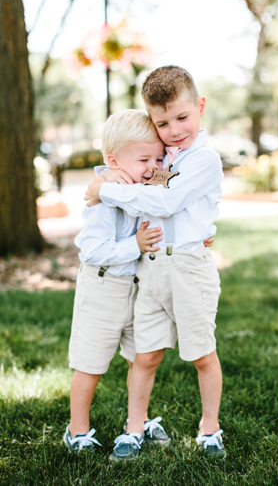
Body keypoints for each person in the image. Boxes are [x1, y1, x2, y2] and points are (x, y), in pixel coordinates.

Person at [84, 66, 226, 461]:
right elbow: (138, 176)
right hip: (150, 267)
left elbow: (165, 202)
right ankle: (134, 427)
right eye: (162, 123)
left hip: (188, 267)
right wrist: (109, 178)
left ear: (199, 106)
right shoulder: (161, 157)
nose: (175, 129)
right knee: (145, 354)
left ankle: (209, 428)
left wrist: (105, 190)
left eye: (182, 117)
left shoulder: (205, 159)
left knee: (201, 353)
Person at [64, 109, 167, 452]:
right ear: (114, 160)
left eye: (158, 157)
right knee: (90, 364)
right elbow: (91, 250)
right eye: (143, 158)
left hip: (137, 289)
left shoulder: (144, 187)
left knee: (141, 357)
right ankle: (77, 430)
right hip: (102, 287)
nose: (153, 166)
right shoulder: (105, 197)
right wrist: (133, 245)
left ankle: (137, 420)